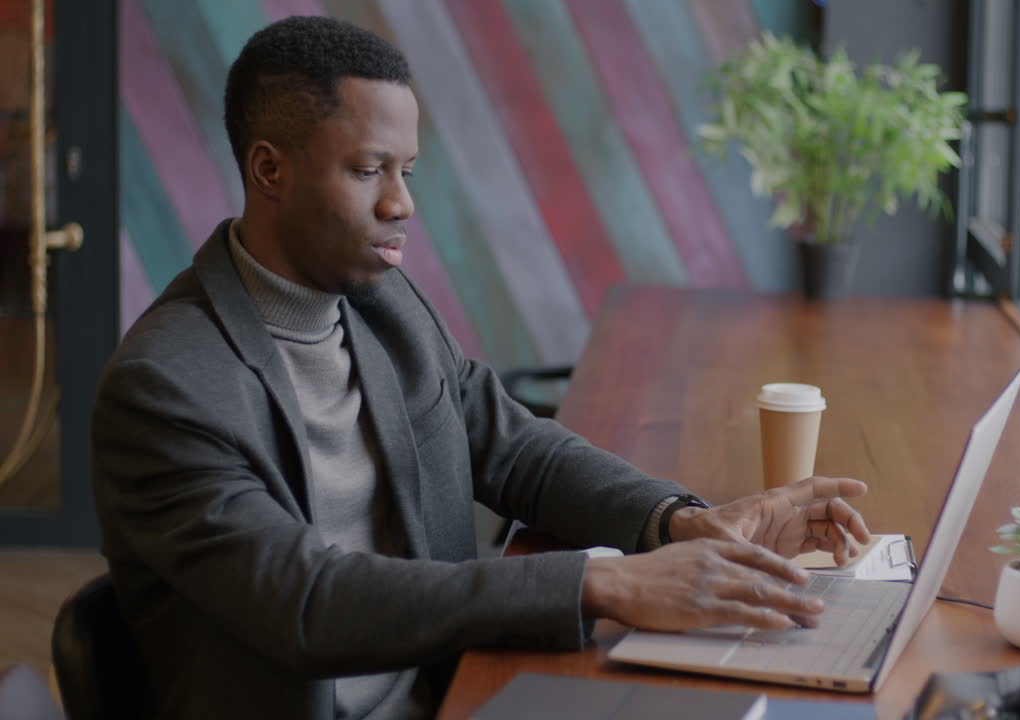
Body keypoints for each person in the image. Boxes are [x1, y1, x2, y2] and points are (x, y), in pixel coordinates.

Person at [91, 16, 872, 720]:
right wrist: (601, 582)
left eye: (407, 170)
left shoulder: (384, 304)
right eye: (368, 170)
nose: (402, 204)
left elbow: (513, 448)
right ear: (270, 170)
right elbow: (307, 603)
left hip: (451, 691)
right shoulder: (165, 388)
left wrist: (679, 522)